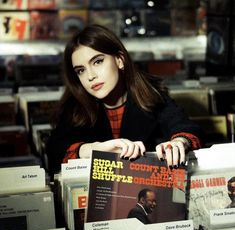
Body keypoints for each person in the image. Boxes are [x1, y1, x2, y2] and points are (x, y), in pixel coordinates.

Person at [46, 24, 203, 177]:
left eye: (98, 61)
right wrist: (91, 149)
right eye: (81, 70)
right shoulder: (75, 107)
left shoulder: (152, 95)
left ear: (120, 60)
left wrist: (179, 142)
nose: (90, 76)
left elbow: (184, 127)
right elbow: (54, 150)